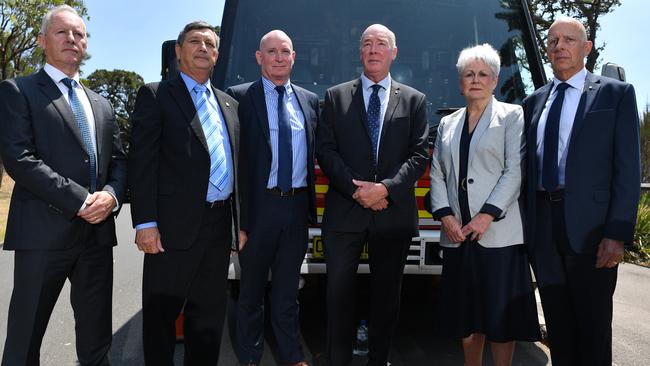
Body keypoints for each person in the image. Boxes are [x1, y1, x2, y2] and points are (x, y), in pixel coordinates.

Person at [0, 5, 127, 365]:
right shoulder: (17, 91)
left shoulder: (101, 103)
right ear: (42, 41)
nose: (73, 39)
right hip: (43, 236)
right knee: (24, 342)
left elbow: (119, 162)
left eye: (80, 34)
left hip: (97, 239)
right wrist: (82, 201)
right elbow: (20, 160)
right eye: (62, 32)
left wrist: (112, 197)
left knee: (97, 341)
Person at [522, 17, 640, 366]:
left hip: (592, 233)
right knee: (558, 329)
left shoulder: (614, 94)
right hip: (543, 228)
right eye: (553, 40)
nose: (559, 46)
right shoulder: (533, 103)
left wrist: (617, 233)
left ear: (586, 48)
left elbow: (628, 170)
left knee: (593, 328)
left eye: (569, 40)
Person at [316, 24, 429, 366]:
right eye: (367, 43)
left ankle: (378, 360)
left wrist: (385, 190)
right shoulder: (335, 97)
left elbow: (419, 154)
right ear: (360, 52)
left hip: (391, 214)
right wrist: (356, 190)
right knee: (338, 296)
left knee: (386, 298)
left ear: (394, 53)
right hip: (344, 214)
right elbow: (326, 150)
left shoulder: (415, 100)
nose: (374, 49)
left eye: (381, 44)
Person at [128, 21, 240, 365]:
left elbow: (239, 165)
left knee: (207, 319)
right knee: (162, 316)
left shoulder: (229, 104)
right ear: (179, 51)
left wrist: (241, 225)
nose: (203, 47)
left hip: (219, 226)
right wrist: (145, 222)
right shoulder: (156, 94)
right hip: (171, 229)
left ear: (217, 55)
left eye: (210, 43)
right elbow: (142, 163)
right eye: (195, 41)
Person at [429, 43, 540, 366]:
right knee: (466, 318)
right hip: (457, 236)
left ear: (494, 80)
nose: (475, 79)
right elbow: (437, 173)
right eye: (469, 74)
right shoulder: (448, 123)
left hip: (498, 235)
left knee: (501, 320)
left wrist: (486, 215)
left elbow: (515, 170)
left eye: (483, 74)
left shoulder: (512, 116)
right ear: (460, 82)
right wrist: (446, 216)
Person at [225, 29, 318, 366]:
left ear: (294, 57)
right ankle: (250, 357)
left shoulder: (309, 101)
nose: (279, 57)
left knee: (287, 293)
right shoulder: (237, 98)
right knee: (249, 293)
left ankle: (291, 356)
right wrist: (239, 220)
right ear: (258, 57)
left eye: (285, 51)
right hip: (257, 210)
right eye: (272, 52)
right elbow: (232, 162)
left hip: (295, 209)